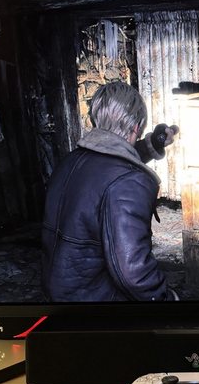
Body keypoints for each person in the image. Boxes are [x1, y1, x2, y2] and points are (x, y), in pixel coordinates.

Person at [41, 81, 178, 302]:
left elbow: (111, 162)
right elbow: (133, 274)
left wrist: (153, 144)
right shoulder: (129, 182)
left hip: (61, 290)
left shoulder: (70, 162)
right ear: (137, 126)